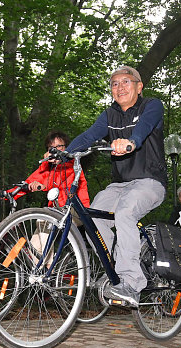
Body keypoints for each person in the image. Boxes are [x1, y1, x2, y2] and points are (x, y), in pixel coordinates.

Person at [66, 65, 167, 306]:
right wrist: (64, 153)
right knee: (92, 216)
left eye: (126, 81)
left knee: (124, 212)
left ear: (139, 86)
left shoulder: (152, 106)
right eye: (114, 83)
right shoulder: (109, 115)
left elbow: (143, 128)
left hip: (150, 182)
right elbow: (90, 136)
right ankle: (116, 269)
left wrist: (131, 142)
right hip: (121, 184)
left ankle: (132, 283)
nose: (119, 87)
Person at [3, 130, 90, 208]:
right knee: (41, 222)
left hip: (77, 209)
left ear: (66, 148)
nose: (55, 150)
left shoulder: (72, 164)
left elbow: (57, 179)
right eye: (51, 148)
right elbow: (30, 181)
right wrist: (7, 194)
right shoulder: (48, 167)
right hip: (57, 211)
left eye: (59, 146)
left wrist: (43, 185)